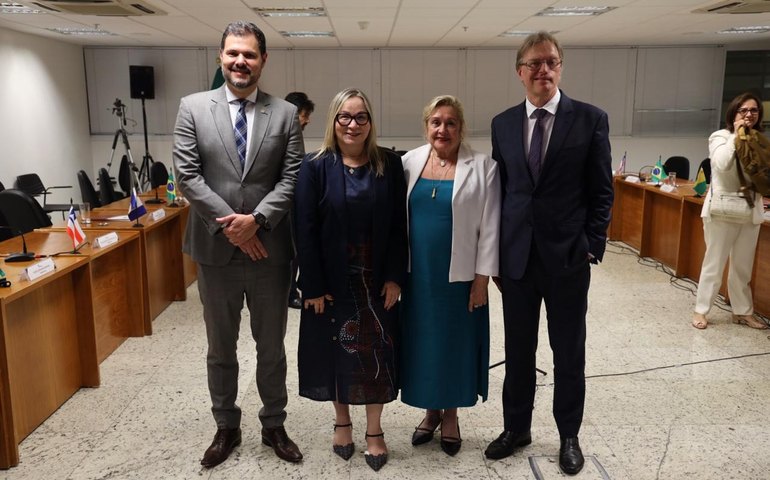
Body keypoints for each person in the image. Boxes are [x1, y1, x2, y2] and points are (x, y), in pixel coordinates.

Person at [173, 21, 305, 468]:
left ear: (263, 60)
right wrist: (233, 226)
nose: (240, 62)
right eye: (232, 53)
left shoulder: (284, 113)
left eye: (249, 54)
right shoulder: (192, 108)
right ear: (220, 57)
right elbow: (187, 176)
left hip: (269, 251)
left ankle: (274, 424)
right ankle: (226, 425)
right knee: (220, 346)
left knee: (271, 346)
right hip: (215, 252)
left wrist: (257, 221)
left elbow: (292, 178)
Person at [484, 31, 614, 476]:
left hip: (567, 259)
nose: (544, 70)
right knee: (518, 350)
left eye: (552, 62)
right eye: (535, 63)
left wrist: (592, 246)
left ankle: (568, 435)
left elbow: (602, 191)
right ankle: (516, 427)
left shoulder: (590, 119)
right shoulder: (502, 124)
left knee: (568, 351)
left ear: (561, 67)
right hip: (517, 260)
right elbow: (501, 193)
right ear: (520, 71)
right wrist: (495, 255)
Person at [294, 87, 407, 471]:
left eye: (361, 117)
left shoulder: (389, 165)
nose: (353, 124)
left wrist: (395, 277)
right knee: (333, 352)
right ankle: (342, 423)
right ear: (333, 121)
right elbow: (304, 230)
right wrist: (311, 285)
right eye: (345, 116)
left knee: (375, 355)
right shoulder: (314, 167)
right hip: (330, 283)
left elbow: (397, 228)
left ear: (370, 123)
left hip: (375, 284)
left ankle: (374, 431)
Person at [399, 95, 500, 456]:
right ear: (426, 126)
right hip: (418, 275)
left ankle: (452, 414)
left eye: (451, 122)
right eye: (436, 122)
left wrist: (482, 279)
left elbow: (490, 227)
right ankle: (430, 411)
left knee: (454, 343)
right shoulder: (408, 162)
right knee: (423, 342)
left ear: (461, 127)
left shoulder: (483, 167)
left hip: (460, 277)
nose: (443, 129)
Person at [692, 92, 768, 331]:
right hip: (722, 210)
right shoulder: (720, 137)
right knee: (714, 263)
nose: (748, 115)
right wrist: (737, 135)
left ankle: (742, 312)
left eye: (753, 111)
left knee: (742, 266)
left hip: (750, 210)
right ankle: (701, 310)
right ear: (733, 113)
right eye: (743, 110)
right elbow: (722, 165)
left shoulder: (759, 140)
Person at [284, 91, 315, 309]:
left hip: (295, 202)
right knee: (290, 251)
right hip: (283, 206)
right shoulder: (281, 135)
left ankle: (292, 289)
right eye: (305, 114)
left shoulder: (293, 134)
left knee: (295, 250)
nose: (307, 120)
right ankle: (288, 293)